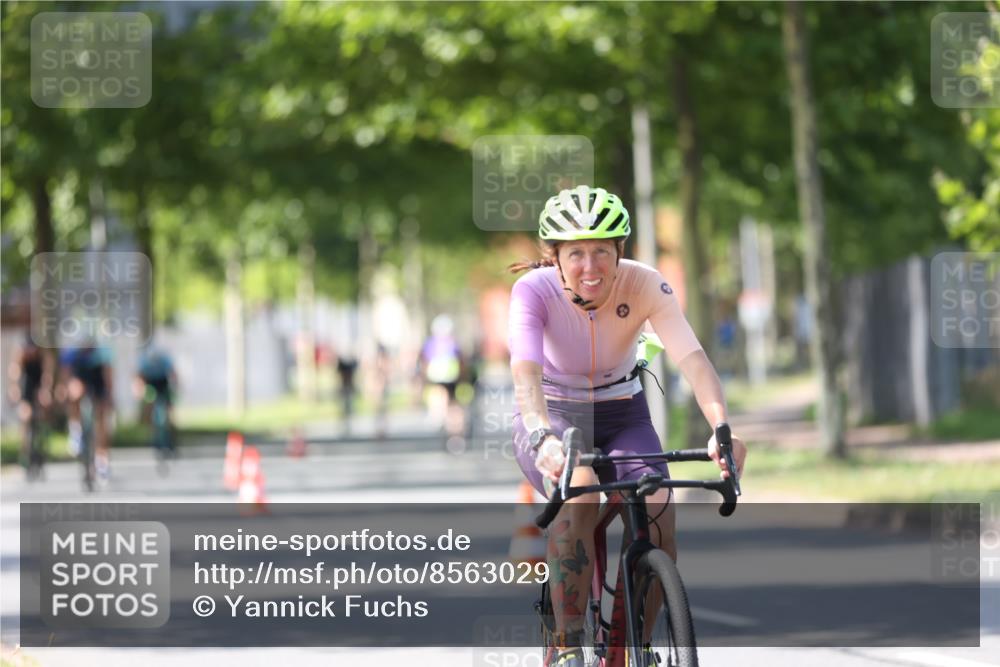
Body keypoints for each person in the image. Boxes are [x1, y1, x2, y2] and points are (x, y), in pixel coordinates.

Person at [507, 185, 747, 667]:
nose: (590, 267)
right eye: (576, 253)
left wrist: (722, 430)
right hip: (553, 414)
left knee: (657, 502)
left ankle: (626, 646)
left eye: (602, 251)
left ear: (621, 250)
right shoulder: (533, 292)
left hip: (623, 413)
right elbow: (526, 373)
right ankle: (567, 645)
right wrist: (541, 434)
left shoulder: (645, 284)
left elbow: (694, 361)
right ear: (554, 257)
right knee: (580, 489)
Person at [58, 341, 114, 483]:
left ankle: (102, 459)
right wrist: (64, 390)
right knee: (74, 392)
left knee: (102, 416)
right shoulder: (72, 350)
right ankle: (75, 429)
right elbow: (66, 372)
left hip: (97, 377)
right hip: (80, 374)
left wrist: (108, 395)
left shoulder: (103, 350)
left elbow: (108, 375)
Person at [6, 333, 53, 478]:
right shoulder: (20, 354)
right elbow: (14, 373)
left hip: (39, 381)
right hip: (27, 383)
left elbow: (47, 375)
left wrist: (46, 392)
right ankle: (25, 452)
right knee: (25, 416)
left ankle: (43, 444)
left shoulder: (44, 354)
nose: (30, 353)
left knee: (43, 410)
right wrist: (14, 389)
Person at [134, 345, 178, 457]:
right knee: (149, 405)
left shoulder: (165, 360)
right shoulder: (144, 362)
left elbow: (173, 375)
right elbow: (139, 378)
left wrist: (175, 389)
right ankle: (153, 435)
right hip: (151, 383)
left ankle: (171, 437)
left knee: (168, 411)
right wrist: (139, 392)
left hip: (163, 383)